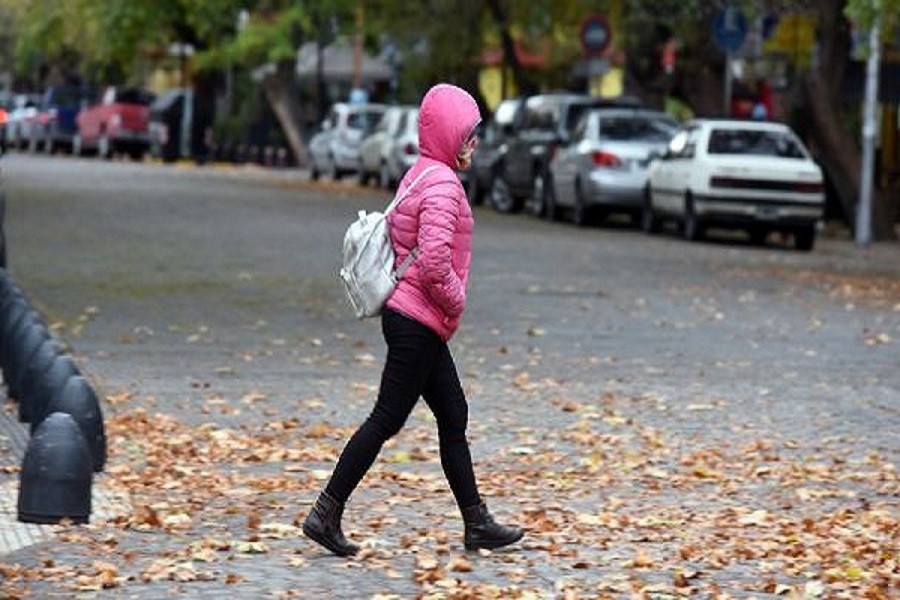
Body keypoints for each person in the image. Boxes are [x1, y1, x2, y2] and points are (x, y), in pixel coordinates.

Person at [302, 83, 523, 557]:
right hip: (417, 320)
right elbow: (434, 262)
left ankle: (476, 523)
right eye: (469, 134)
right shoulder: (443, 185)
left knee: (453, 413)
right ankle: (326, 511)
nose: (475, 144)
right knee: (387, 418)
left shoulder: (422, 173)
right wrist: (456, 302)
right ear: (449, 135)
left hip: (412, 318)